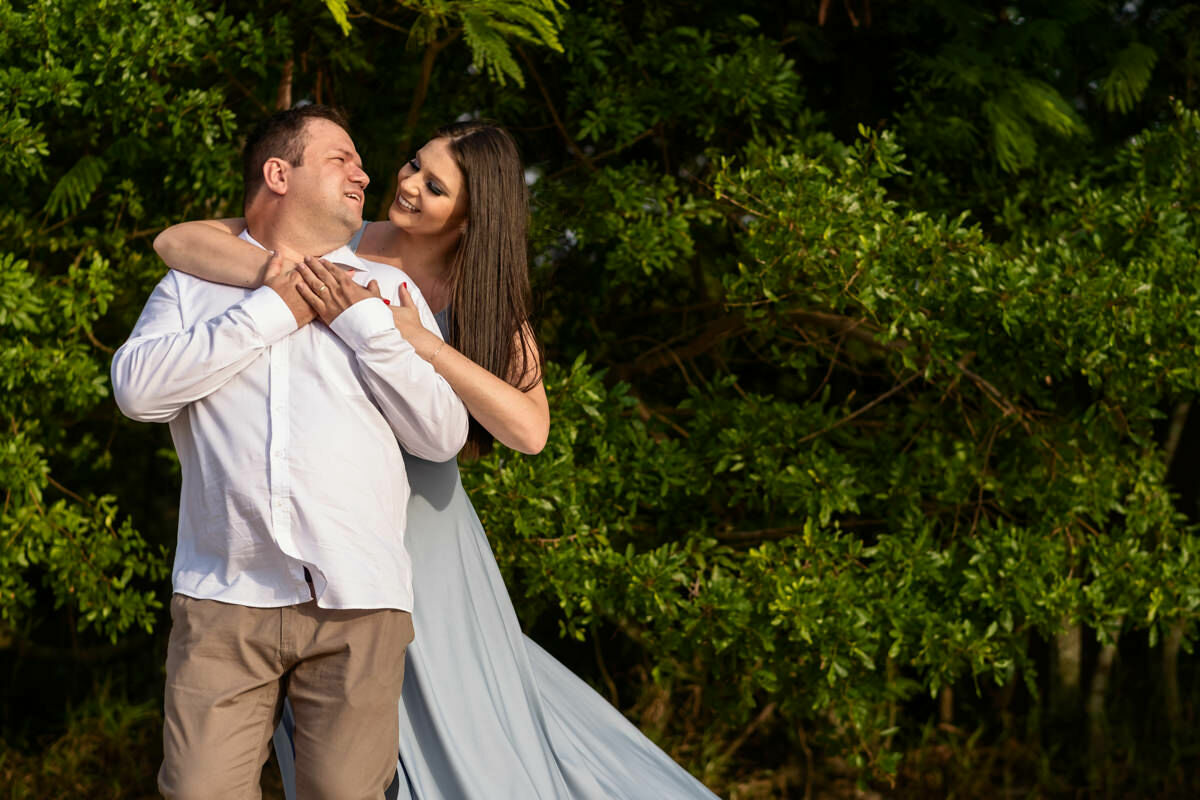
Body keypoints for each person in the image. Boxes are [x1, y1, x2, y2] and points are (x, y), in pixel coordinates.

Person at [153, 120, 720, 799]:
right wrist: (291, 279)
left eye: (435, 185)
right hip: (318, 532)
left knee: (464, 725)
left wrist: (420, 341)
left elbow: (530, 429)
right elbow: (176, 241)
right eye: (415, 163)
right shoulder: (344, 240)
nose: (409, 184)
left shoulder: (480, 296)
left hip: (425, 532)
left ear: (472, 215)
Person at [112, 105, 469, 799]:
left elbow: (441, 433)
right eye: (342, 158)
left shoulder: (389, 289)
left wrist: (360, 321)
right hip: (224, 594)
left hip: (359, 599)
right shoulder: (194, 281)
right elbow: (136, 391)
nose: (366, 172)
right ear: (279, 172)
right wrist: (276, 309)